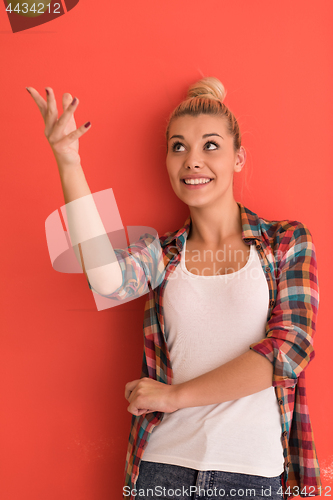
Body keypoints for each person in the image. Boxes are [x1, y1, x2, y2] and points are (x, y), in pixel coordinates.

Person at [26, 77, 321, 500]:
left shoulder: (286, 242)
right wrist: (68, 161)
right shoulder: (164, 254)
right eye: (178, 147)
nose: (192, 161)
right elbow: (106, 280)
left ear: (239, 159)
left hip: (251, 475)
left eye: (211, 146)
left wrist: (175, 396)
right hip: (162, 470)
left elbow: (290, 349)